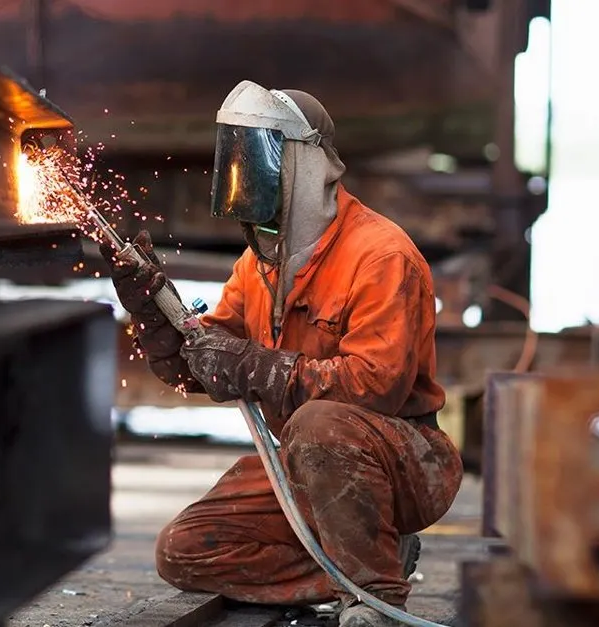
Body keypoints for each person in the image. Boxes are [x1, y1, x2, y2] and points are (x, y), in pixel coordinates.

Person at [98, 81, 463, 627]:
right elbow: (200, 364)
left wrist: (252, 365)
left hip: (403, 463)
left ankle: (374, 596)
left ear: (303, 164)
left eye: (256, 159)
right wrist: (153, 313)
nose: (245, 180)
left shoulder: (382, 255)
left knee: (321, 424)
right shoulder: (259, 265)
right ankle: (362, 556)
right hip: (306, 465)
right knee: (184, 549)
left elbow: (375, 386)